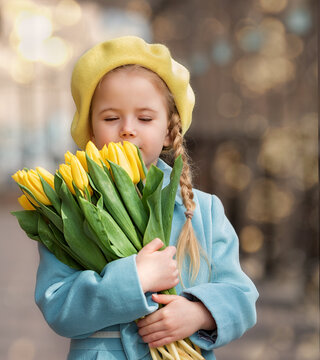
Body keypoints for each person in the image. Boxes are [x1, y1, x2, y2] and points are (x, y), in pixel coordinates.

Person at [35, 36, 258, 360]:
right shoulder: (68, 210)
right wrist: (132, 279)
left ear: (169, 130)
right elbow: (57, 305)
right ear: (92, 132)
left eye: (145, 118)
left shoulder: (204, 210)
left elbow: (241, 296)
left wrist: (198, 313)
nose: (127, 129)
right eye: (111, 118)